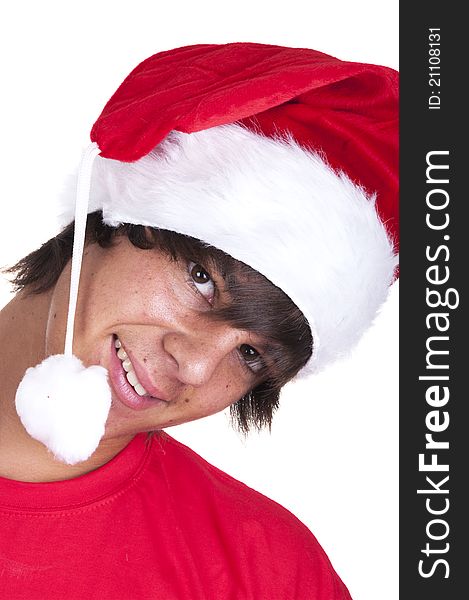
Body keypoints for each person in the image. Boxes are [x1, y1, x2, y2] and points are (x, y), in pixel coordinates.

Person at [0, 42, 398, 599]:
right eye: (203, 281)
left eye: (251, 355)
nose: (194, 366)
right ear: (109, 219)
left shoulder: (267, 574)